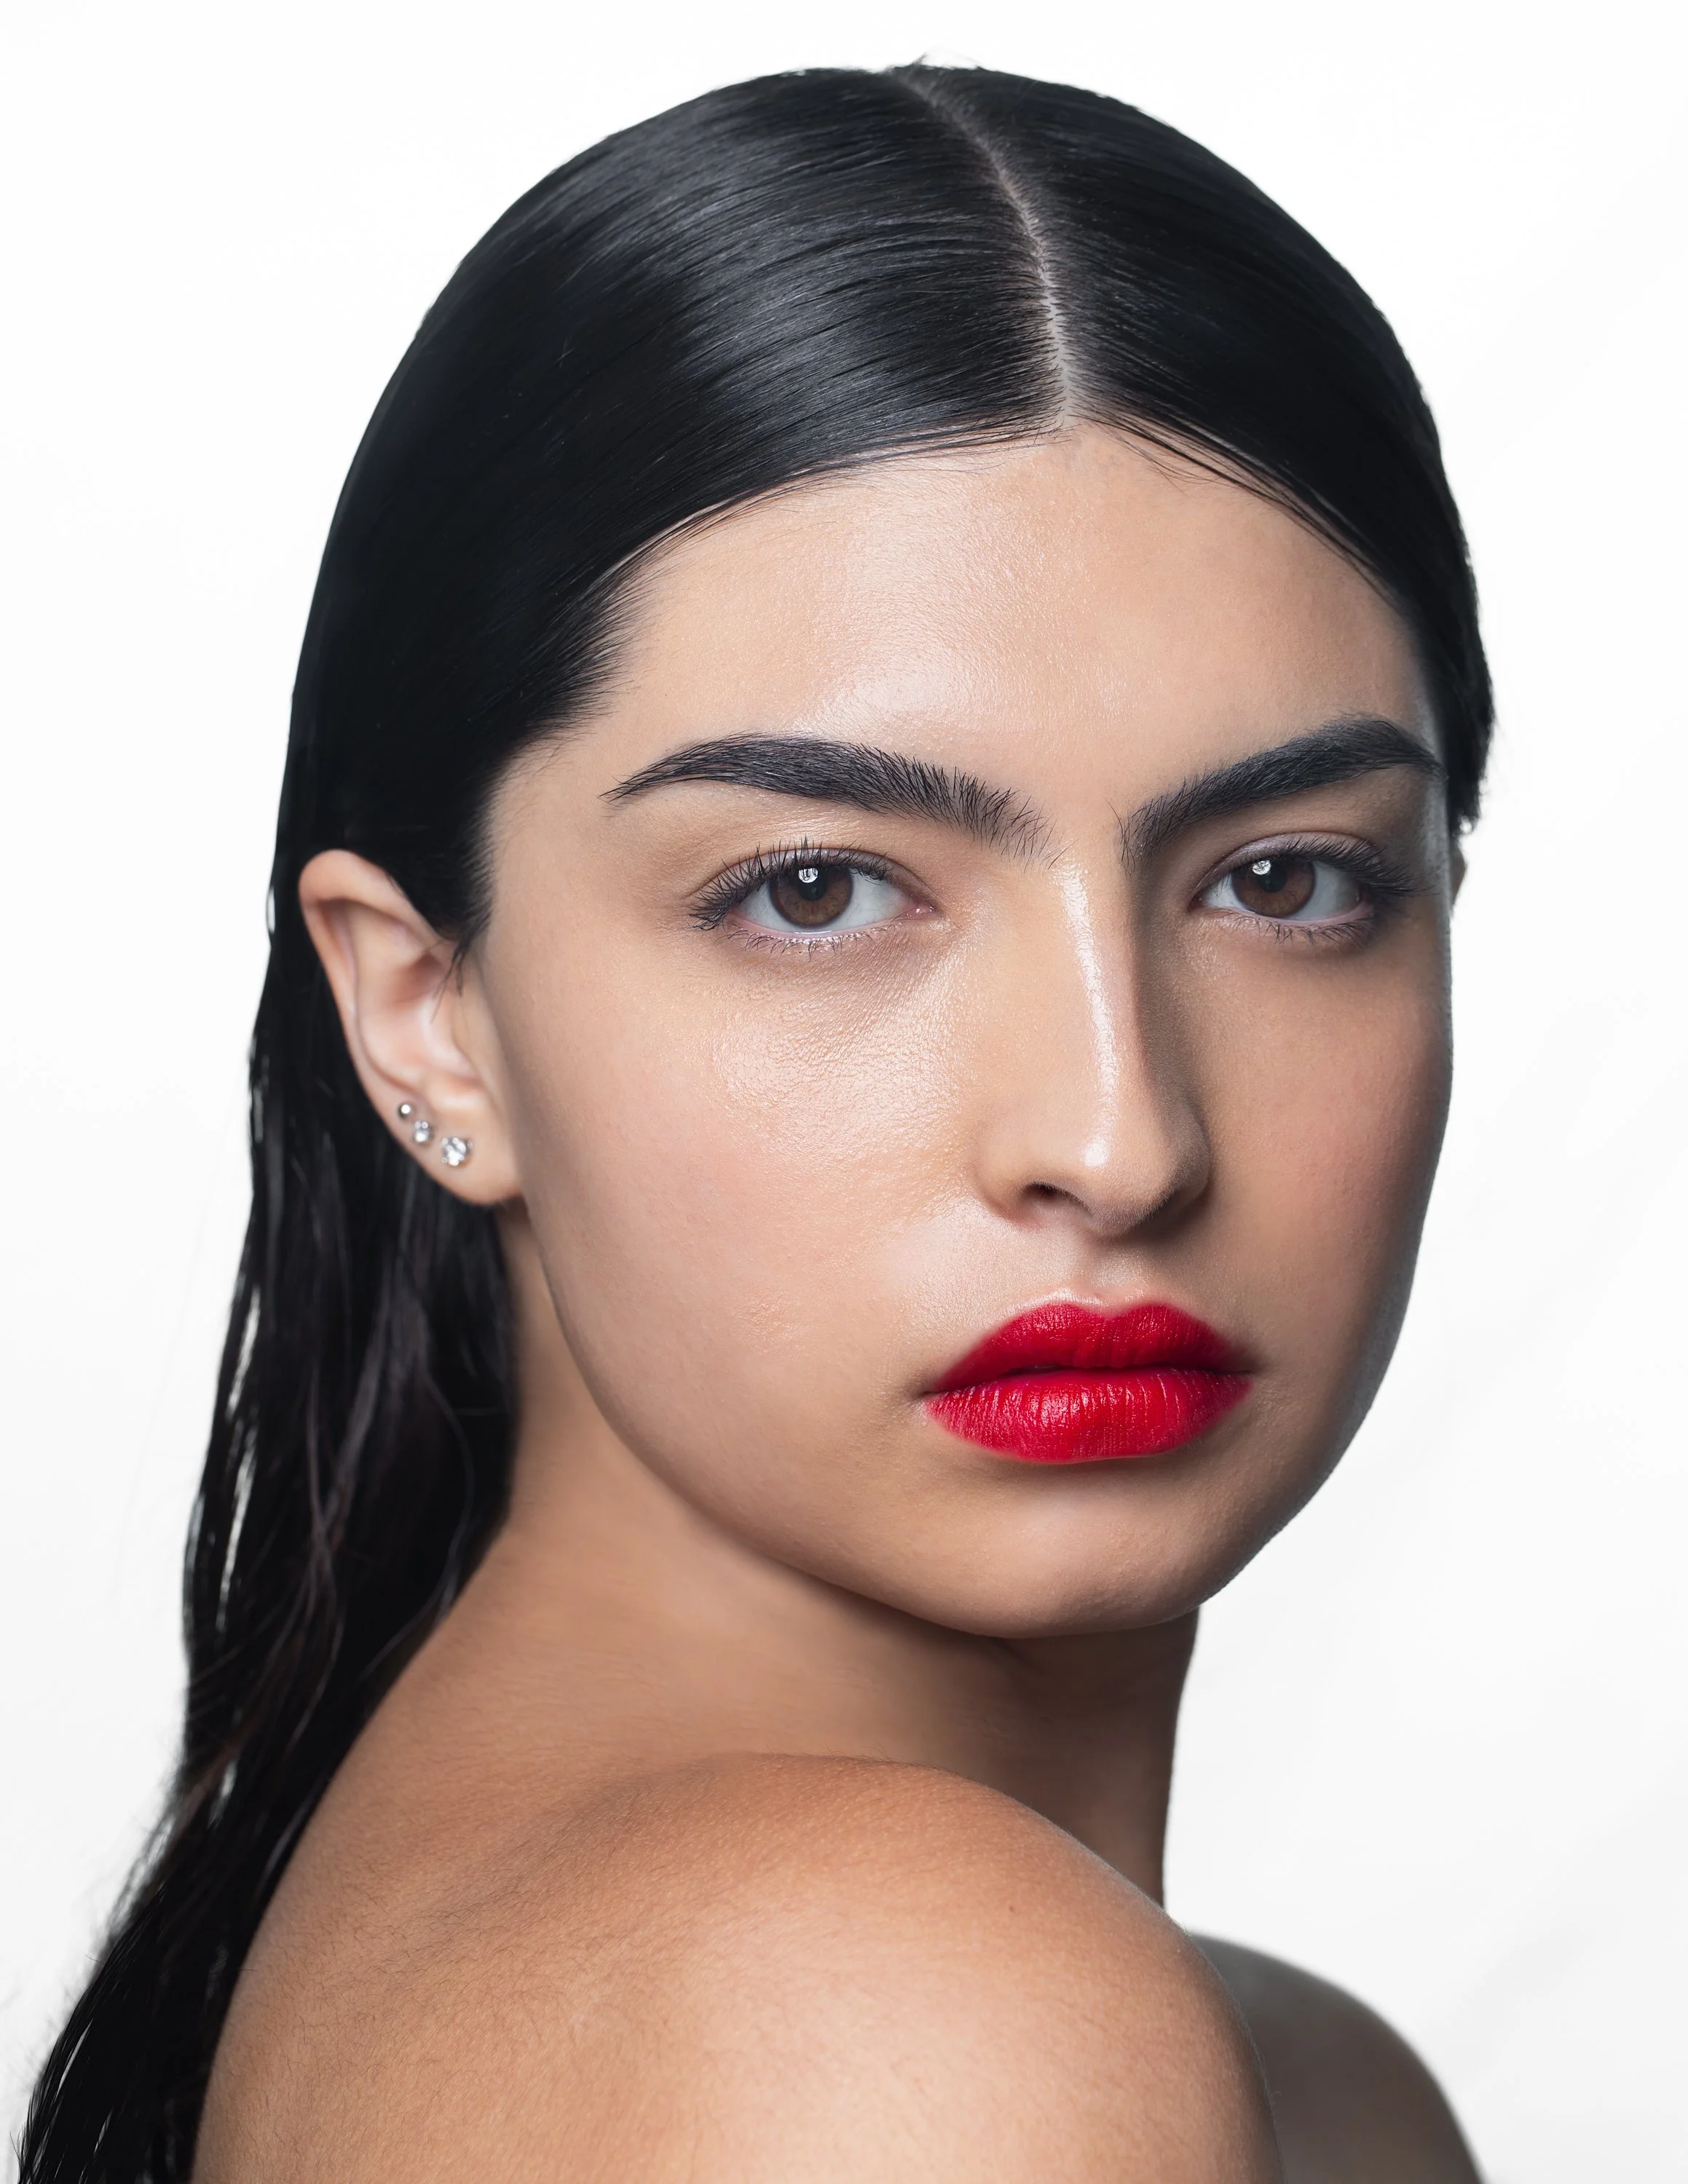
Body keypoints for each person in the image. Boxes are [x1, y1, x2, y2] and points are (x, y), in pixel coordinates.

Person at [23, 63, 1491, 2182]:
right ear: (429, 1014)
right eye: (814, 890)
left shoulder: (1263, 2072)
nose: (1118, 1132)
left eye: (1282, 879)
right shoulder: (889, 2023)